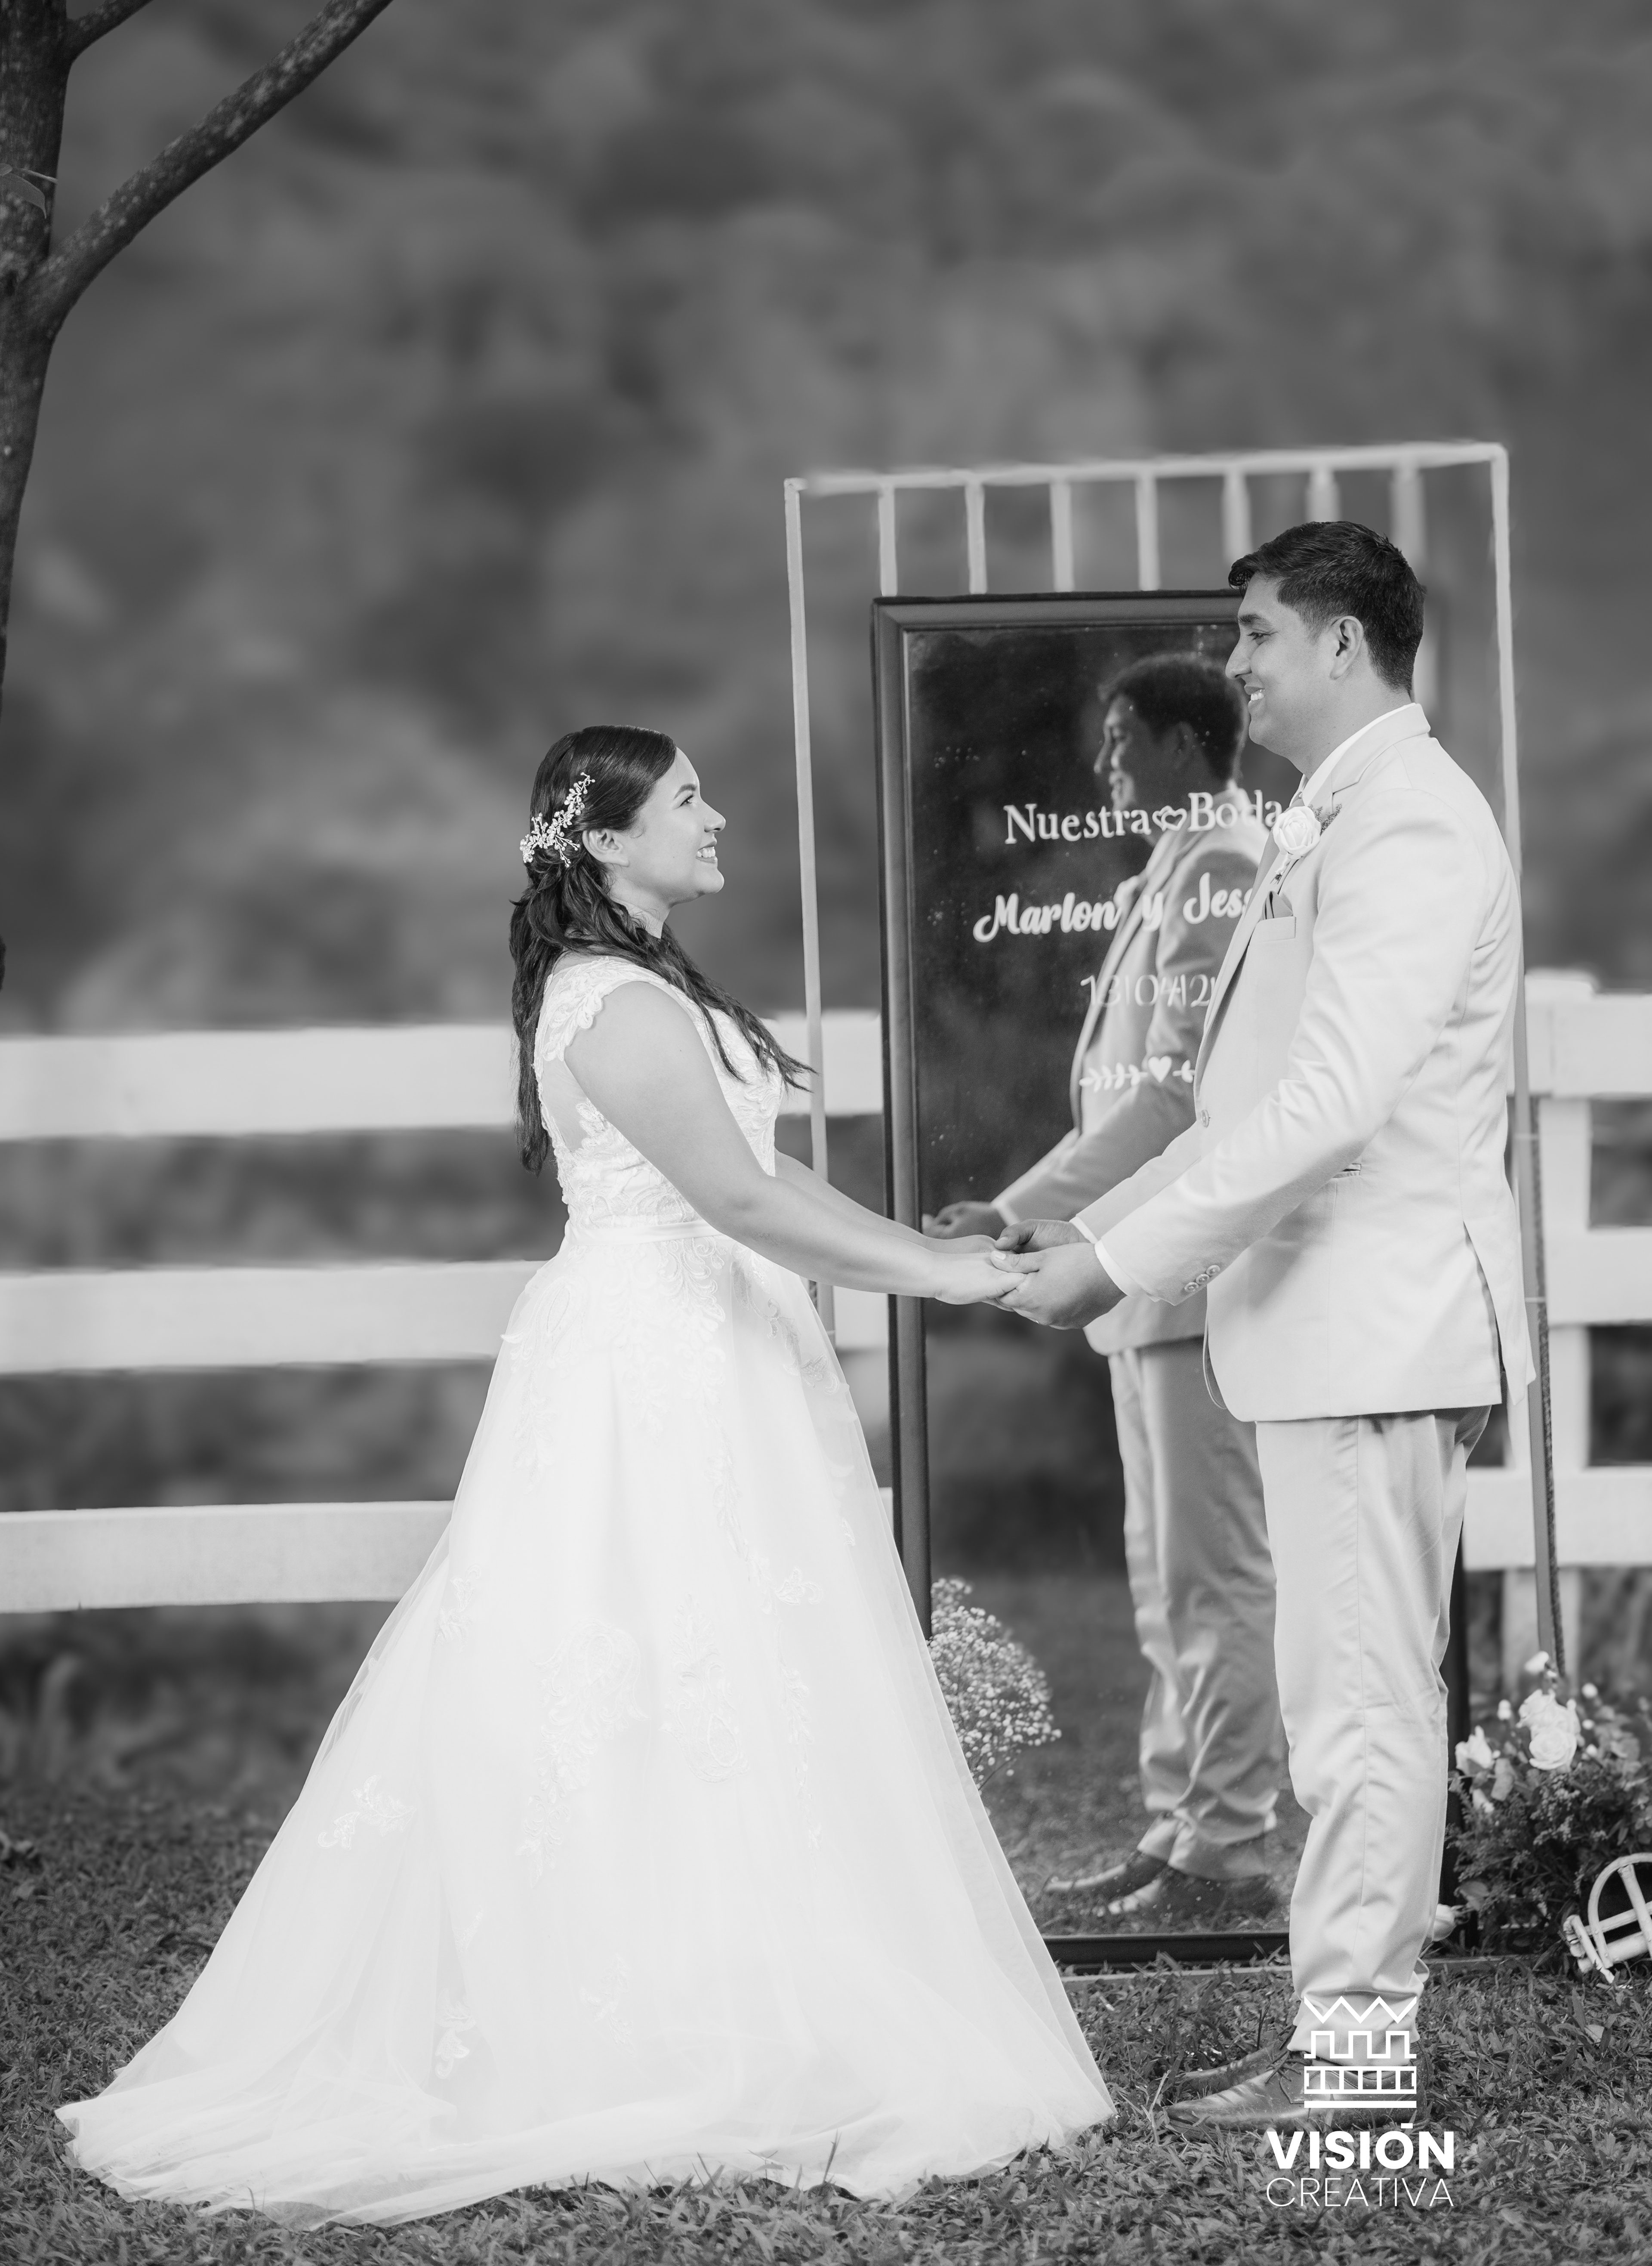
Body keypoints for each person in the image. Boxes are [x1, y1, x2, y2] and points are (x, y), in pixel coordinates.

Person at [58, 725, 1110, 2221]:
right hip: (649, 1359)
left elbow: (772, 1177)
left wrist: (942, 1253)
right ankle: (632, 1996)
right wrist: (948, 1283)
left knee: (736, 1660)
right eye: (687, 797)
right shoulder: (607, 999)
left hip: (714, 1341)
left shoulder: (654, 985)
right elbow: (735, 1195)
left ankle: (747, 1960)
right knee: (630, 1649)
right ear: (606, 838)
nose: (716, 815)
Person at [993, 524, 1529, 2130]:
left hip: (1373, 1329)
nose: (1233, 665)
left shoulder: (1409, 822)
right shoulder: (1341, 815)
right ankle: (1336, 2032)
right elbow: (1246, 1099)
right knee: (1339, 1696)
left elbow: (1330, 1103)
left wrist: (1117, 1259)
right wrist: (1097, 1232)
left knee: (1361, 1707)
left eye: (1256, 634)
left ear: (1344, 645)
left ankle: (1356, 2074)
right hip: (1331, 1332)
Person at [928, 655, 1283, 1926]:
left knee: (1211, 1570)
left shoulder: (1224, 865)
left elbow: (1170, 1100)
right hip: (1143, 1285)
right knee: (1163, 1574)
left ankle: (1228, 1847)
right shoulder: (1179, 866)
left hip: (1186, 1275)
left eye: (1124, 739)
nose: (1104, 763)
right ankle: (1179, 1822)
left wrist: (1021, 1213)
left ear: (1188, 744)